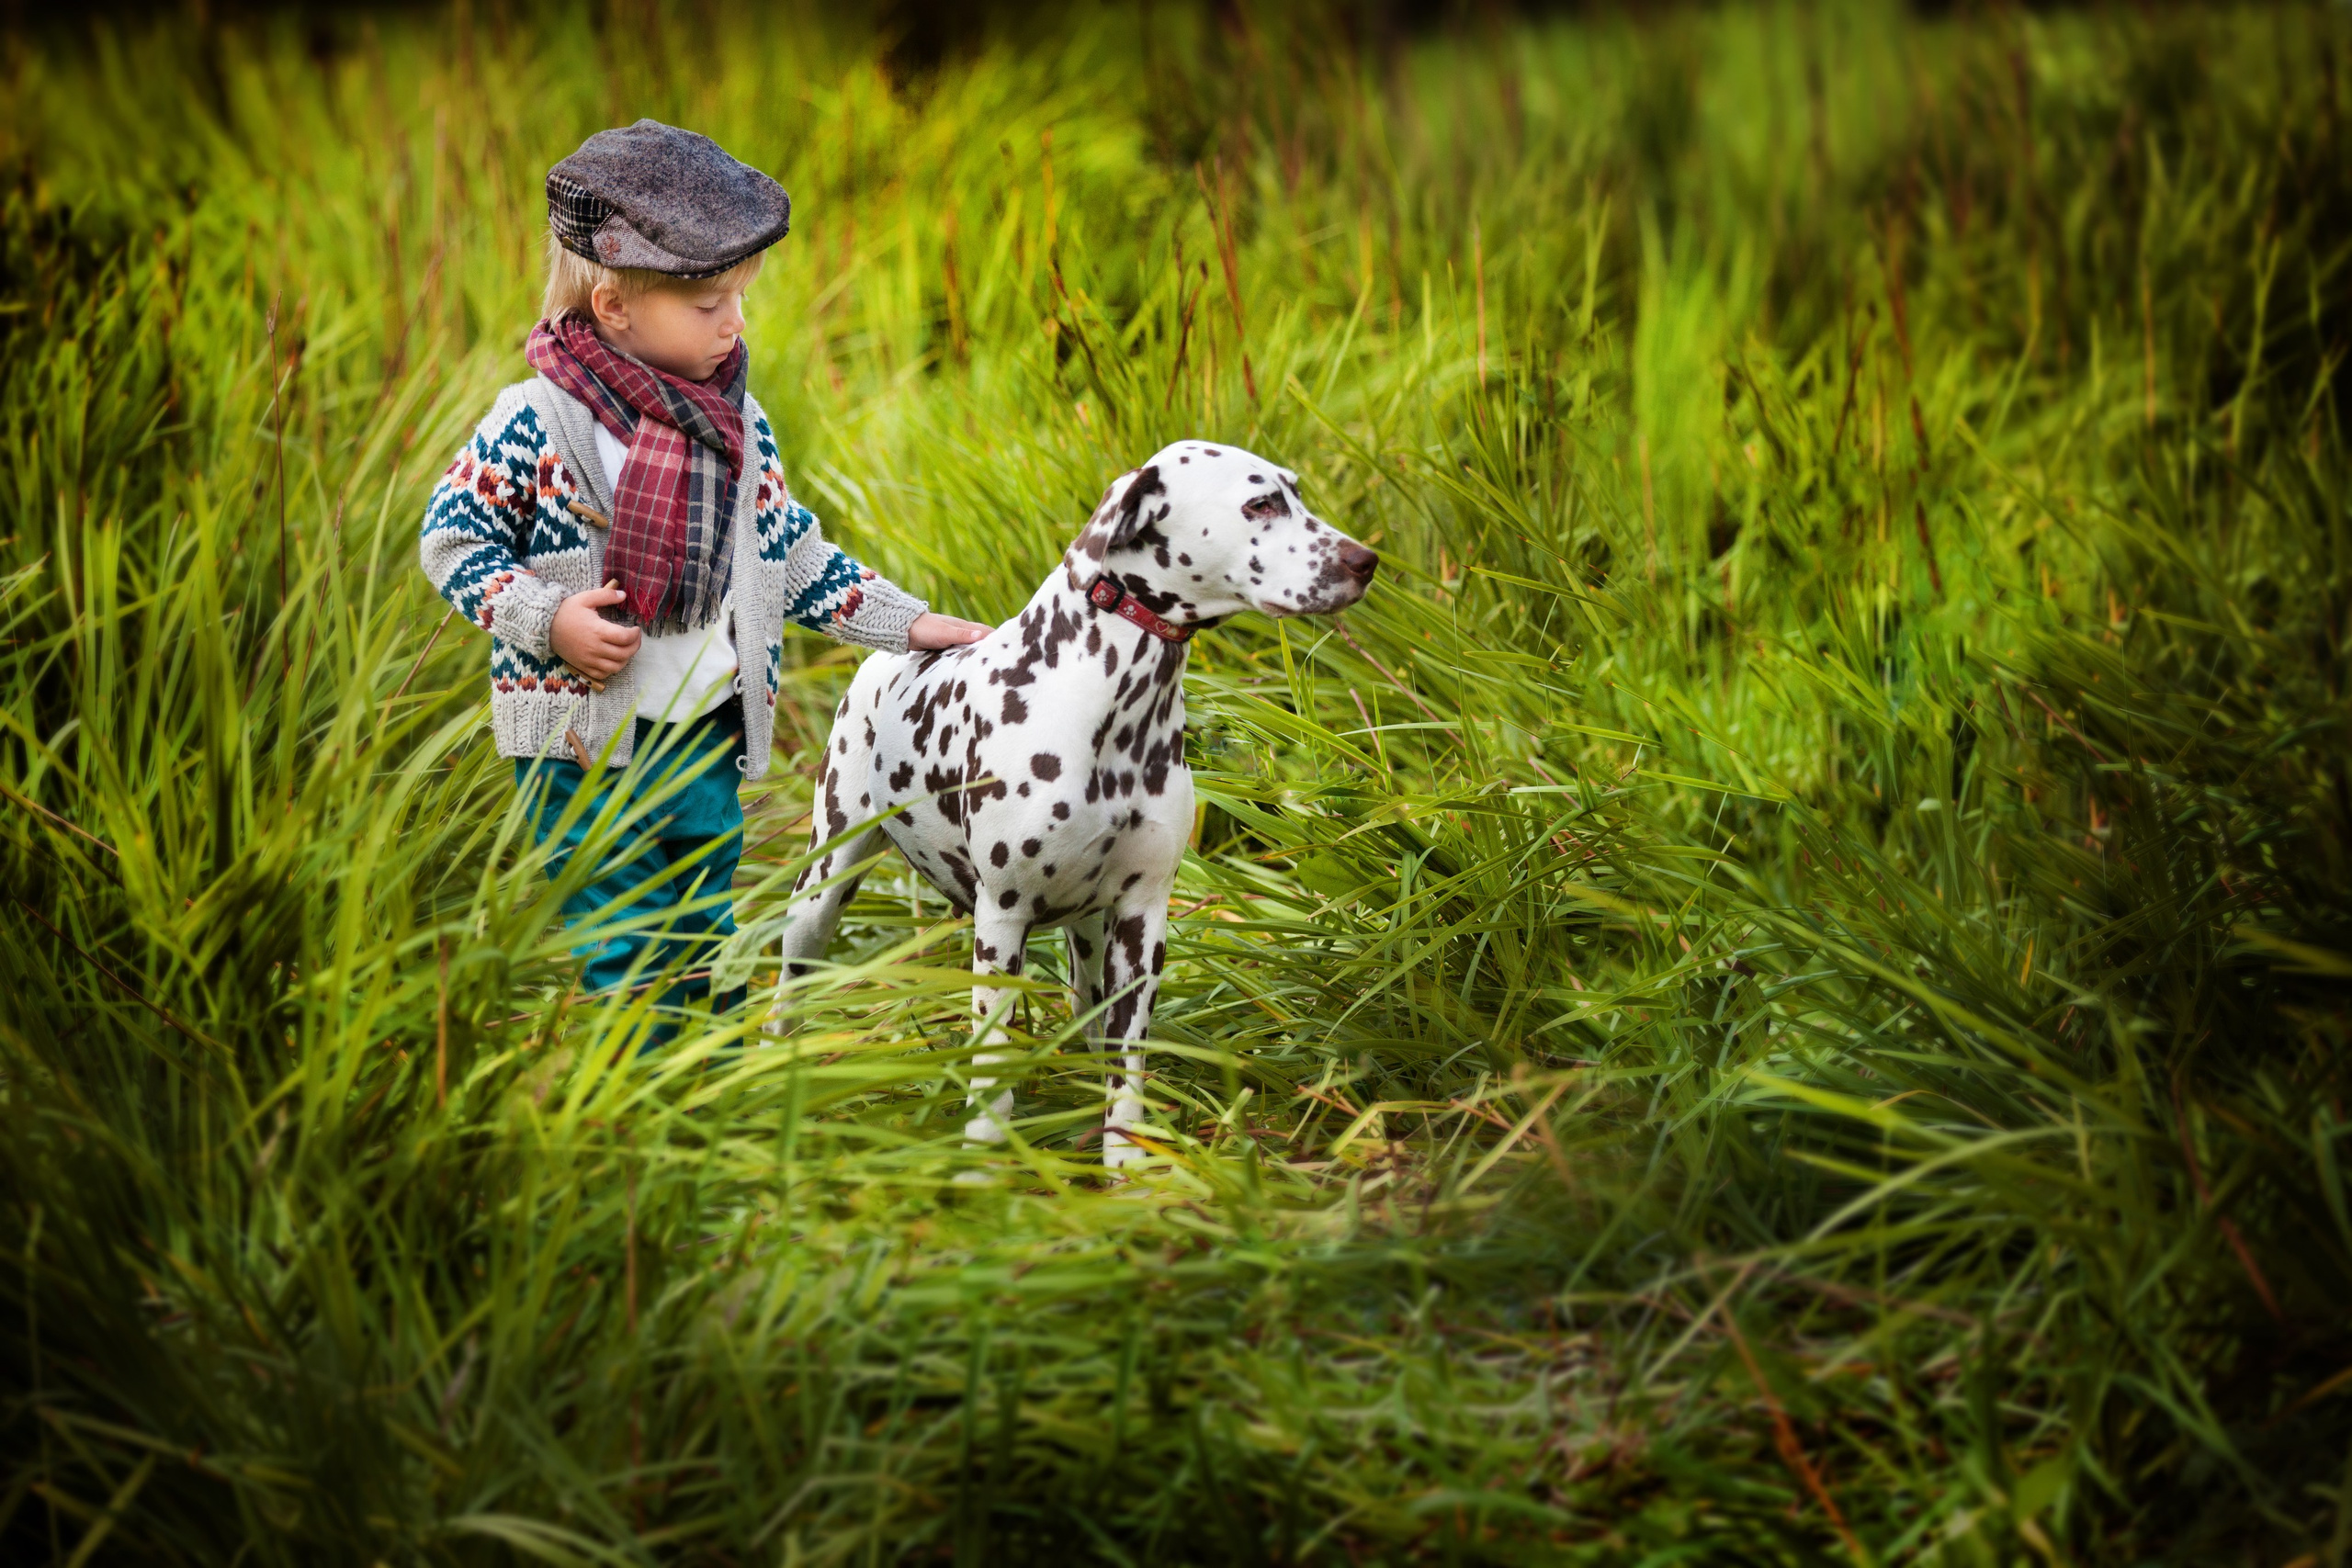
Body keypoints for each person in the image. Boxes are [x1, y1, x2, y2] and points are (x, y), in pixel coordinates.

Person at [418, 119, 987, 1032]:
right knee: (621, 939)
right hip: (582, 745)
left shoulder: (735, 423)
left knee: (698, 930)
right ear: (614, 307)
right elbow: (453, 542)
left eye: (737, 298)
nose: (736, 322)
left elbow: (786, 551)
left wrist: (907, 622)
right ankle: (642, 1128)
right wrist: (548, 618)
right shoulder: (534, 424)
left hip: (699, 734)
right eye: (709, 302)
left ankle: (705, 1095)